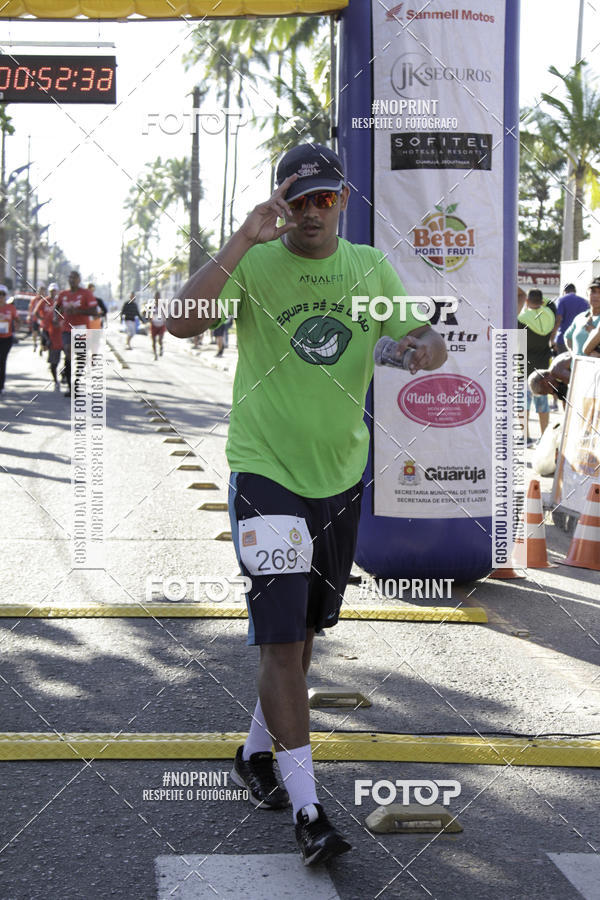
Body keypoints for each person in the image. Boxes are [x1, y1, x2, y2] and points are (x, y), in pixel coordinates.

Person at [166, 143, 447, 866]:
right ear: (279, 203)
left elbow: (419, 335)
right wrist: (241, 238)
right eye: (299, 200)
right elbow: (181, 321)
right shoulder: (255, 264)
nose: (313, 212)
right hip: (266, 474)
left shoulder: (365, 268)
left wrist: (423, 348)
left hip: (338, 478)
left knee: (308, 631)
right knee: (281, 640)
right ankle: (310, 810)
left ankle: (257, 753)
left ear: (343, 199)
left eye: (324, 198)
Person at [54, 271, 101, 397]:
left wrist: (77, 311)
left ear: (79, 280)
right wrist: (56, 318)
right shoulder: (63, 294)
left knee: (80, 357)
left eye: (74, 278)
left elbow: (94, 312)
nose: (72, 280)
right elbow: (56, 308)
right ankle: (70, 387)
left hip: (81, 328)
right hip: (67, 328)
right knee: (68, 352)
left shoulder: (86, 294)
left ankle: (77, 382)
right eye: (70, 277)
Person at [518, 288, 555, 444]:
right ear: (541, 302)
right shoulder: (549, 314)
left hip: (523, 366)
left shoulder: (521, 319)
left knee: (523, 403)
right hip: (543, 367)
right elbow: (550, 303)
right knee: (542, 403)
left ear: (527, 301)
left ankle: (525, 437)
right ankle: (544, 437)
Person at [34, 284, 63, 387]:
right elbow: (36, 312)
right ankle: (55, 378)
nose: (53, 292)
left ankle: (64, 374)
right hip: (51, 336)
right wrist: (42, 320)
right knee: (53, 362)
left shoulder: (67, 312)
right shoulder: (46, 304)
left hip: (64, 340)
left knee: (67, 359)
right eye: (51, 291)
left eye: (55, 291)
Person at [565, 277, 600, 357]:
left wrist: (593, 332)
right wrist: (572, 354)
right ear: (587, 294)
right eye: (593, 291)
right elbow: (567, 336)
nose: (596, 296)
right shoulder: (580, 317)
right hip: (577, 367)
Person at [552, 283, 589, 354]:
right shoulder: (585, 302)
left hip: (562, 340)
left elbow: (558, 320)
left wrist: (552, 340)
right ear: (575, 291)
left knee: (561, 363)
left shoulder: (561, 300)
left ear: (564, 291)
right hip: (580, 341)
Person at [0, 284, 18, 395]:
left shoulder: (10, 308)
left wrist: (17, 326)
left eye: (2, 294)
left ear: (5, 296)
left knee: (1, 360)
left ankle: (1, 385)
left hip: (6, 339)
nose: (0, 296)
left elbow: (17, 319)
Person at [149, 291, 166, 359]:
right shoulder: (151, 306)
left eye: (158, 297)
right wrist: (150, 320)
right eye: (156, 297)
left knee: (160, 340)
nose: (157, 298)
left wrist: (165, 322)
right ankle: (155, 355)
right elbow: (149, 315)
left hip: (161, 324)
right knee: (153, 341)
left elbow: (166, 314)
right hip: (154, 325)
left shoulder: (163, 305)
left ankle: (161, 347)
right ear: (154, 298)